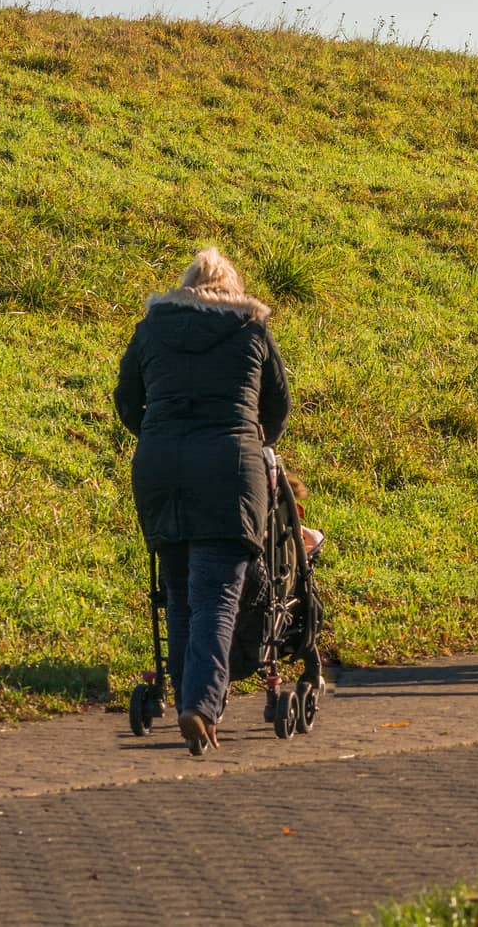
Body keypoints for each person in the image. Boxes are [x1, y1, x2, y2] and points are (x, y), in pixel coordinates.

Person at [114, 248, 290, 753]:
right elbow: (277, 406)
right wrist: (255, 446)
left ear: (186, 286)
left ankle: (190, 697)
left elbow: (128, 399)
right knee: (217, 596)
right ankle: (201, 704)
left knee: (179, 593)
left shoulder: (152, 327)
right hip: (230, 471)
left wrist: (157, 434)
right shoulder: (251, 329)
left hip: (161, 468)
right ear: (232, 290)